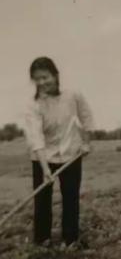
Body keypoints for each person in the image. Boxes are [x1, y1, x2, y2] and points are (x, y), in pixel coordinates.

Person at [24, 57, 94, 246]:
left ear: (55, 75)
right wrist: (46, 169)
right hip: (42, 157)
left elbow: (86, 116)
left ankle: (70, 239)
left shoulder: (72, 94)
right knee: (42, 200)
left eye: (45, 77)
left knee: (70, 196)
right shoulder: (33, 105)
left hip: (71, 153)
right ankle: (42, 240)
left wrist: (86, 142)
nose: (41, 83)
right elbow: (36, 138)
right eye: (37, 79)